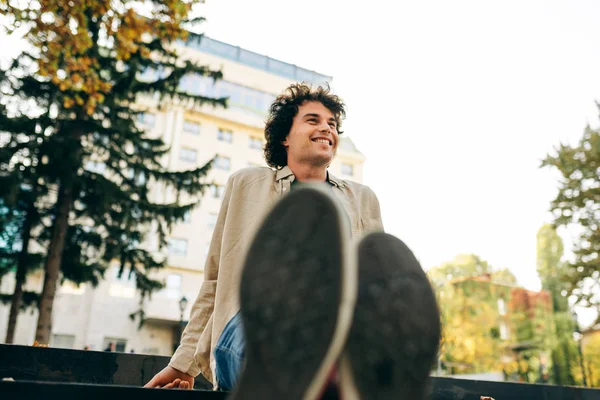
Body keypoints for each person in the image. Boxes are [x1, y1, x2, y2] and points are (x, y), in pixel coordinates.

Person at [144, 84, 440, 397]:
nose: (326, 127)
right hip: (249, 330)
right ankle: (328, 377)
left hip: (339, 330)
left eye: (332, 124)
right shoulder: (247, 185)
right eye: (313, 120)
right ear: (286, 136)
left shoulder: (363, 199)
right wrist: (183, 363)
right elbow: (215, 283)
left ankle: (342, 371)